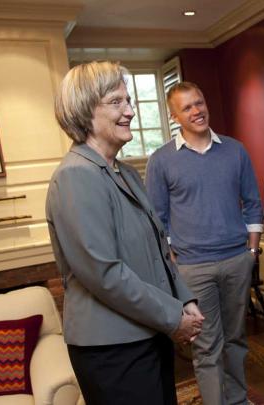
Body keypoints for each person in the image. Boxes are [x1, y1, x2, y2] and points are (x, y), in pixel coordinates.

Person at [46, 61, 203, 405]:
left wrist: (185, 299)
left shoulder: (127, 174)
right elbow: (105, 273)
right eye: (116, 102)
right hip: (113, 350)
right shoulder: (76, 176)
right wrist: (173, 316)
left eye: (128, 101)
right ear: (85, 109)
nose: (130, 111)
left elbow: (158, 252)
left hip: (147, 334)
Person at [145, 82, 263, 405]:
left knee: (236, 339)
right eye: (187, 107)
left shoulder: (235, 150)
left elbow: (253, 203)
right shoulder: (161, 160)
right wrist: (174, 265)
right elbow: (157, 220)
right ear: (174, 117)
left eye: (199, 102)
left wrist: (251, 253)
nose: (196, 111)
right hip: (193, 267)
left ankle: (238, 400)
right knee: (207, 344)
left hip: (237, 260)